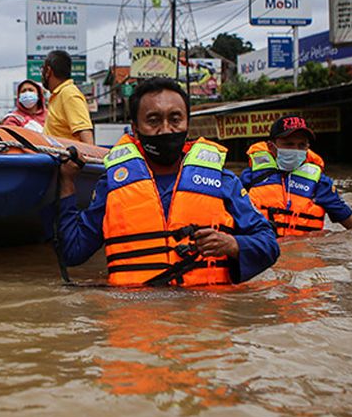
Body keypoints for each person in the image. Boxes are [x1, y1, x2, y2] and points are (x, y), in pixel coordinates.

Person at [56, 77, 279, 287]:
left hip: (207, 320)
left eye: (175, 119)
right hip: (133, 320)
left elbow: (269, 244)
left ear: (187, 124)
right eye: (153, 120)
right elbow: (73, 252)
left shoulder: (223, 181)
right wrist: (67, 182)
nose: (165, 129)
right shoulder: (112, 185)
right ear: (135, 129)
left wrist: (234, 245)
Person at [240, 115, 352, 238]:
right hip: (263, 251)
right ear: (271, 147)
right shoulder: (251, 177)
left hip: (303, 256)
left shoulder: (319, 183)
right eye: (289, 144)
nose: (295, 150)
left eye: (301, 145)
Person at [41, 49, 94, 144]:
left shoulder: (69, 94)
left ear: (48, 71)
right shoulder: (59, 95)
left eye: (43, 69)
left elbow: (85, 133)